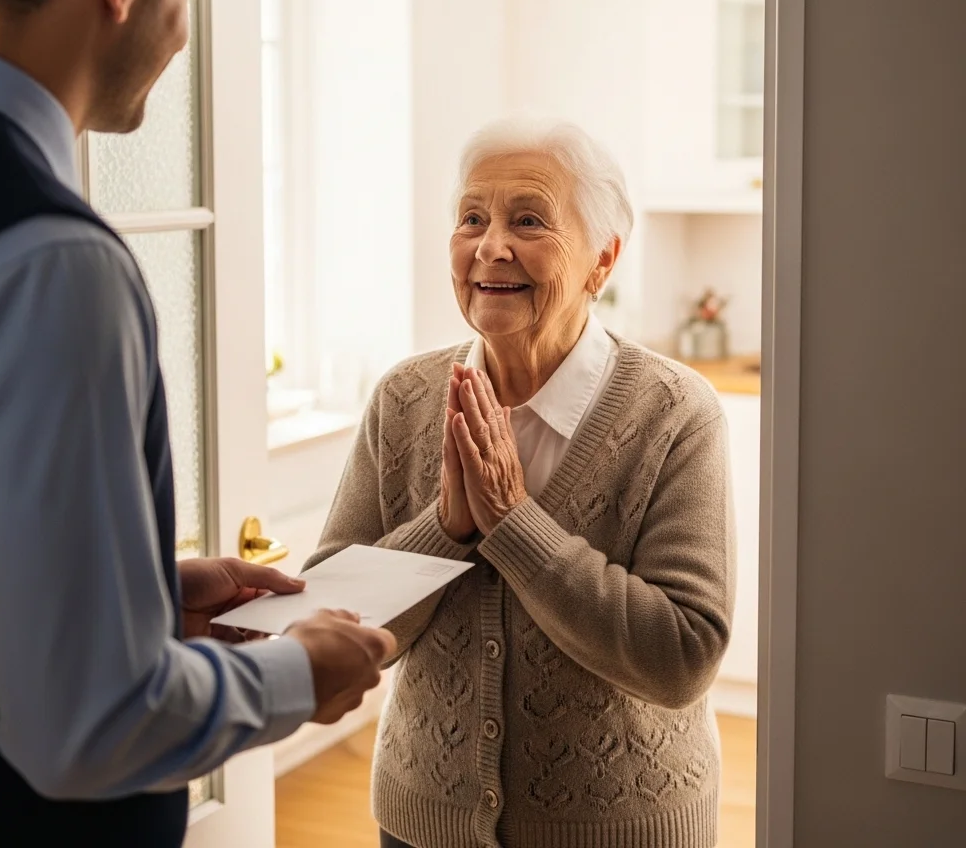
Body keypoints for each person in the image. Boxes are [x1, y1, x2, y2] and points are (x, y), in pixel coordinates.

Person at [0, 0, 395, 845]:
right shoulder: (51, 264)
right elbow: (85, 726)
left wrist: (132, 593)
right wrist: (297, 670)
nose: (184, 30)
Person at [307, 118, 736, 848]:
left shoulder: (676, 412)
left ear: (603, 261)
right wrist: (445, 530)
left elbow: (682, 656)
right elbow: (328, 615)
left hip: (619, 828)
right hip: (423, 823)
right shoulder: (404, 399)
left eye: (528, 220)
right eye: (471, 218)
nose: (490, 245)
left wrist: (512, 523)